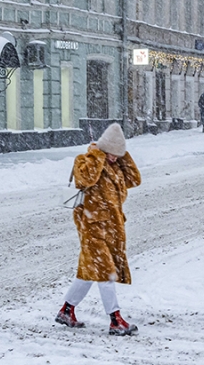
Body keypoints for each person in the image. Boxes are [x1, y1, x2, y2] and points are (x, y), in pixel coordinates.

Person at [56, 123, 142, 336]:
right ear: (103, 149)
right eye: (112, 153)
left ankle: (66, 311)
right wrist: (97, 154)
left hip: (111, 228)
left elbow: (134, 180)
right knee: (106, 273)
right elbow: (86, 178)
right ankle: (115, 320)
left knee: (89, 272)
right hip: (91, 225)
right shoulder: (85, 161)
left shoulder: (116, 165)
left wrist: (122, 155)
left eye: (117, 153)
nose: (114, 157)